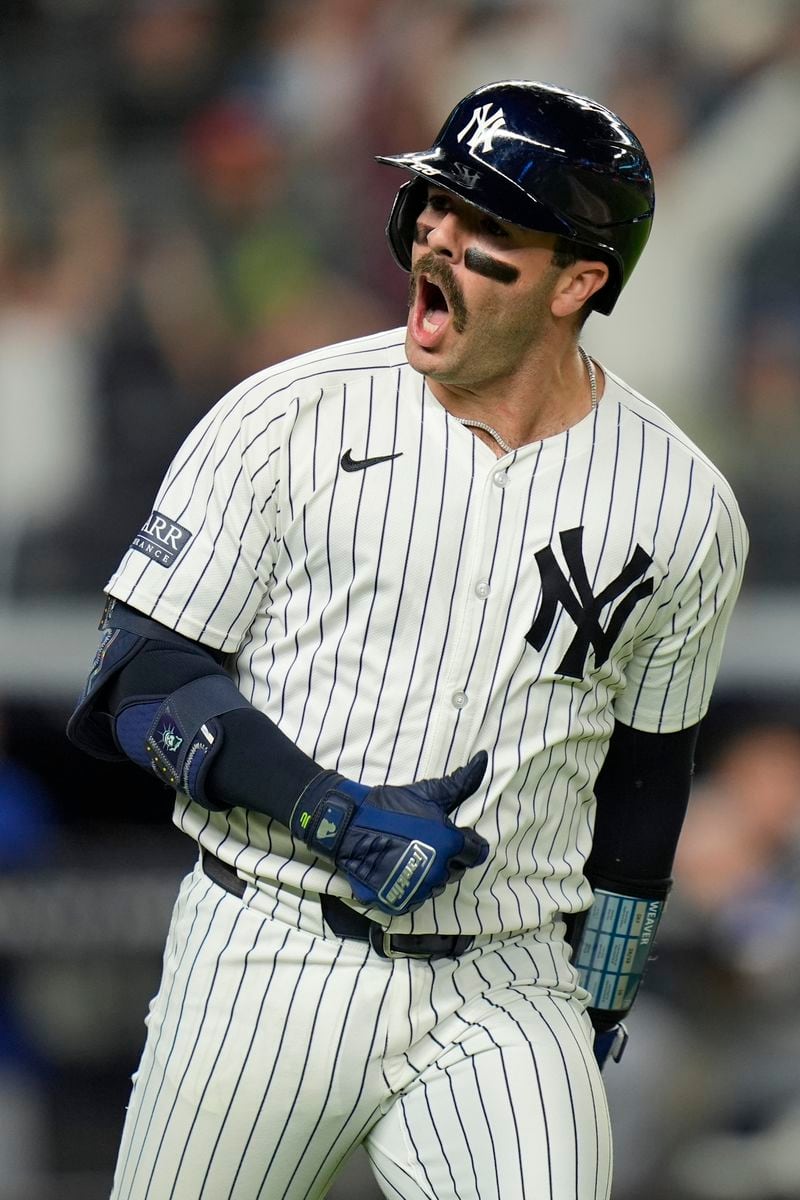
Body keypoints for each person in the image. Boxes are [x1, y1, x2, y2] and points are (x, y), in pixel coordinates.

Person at [67, 80, 748, 1200]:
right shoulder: (284, 414)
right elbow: (136, 678)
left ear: (578, 281)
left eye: (486, 225)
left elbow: (644, 782)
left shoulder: (681, 502)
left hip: (506, 980)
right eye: (436, 201)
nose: (436, 230)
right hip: (266, 946)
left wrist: (604, 993)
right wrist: (326, 809)